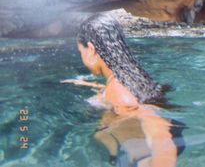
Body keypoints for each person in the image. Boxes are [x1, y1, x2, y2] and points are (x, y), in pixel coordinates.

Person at [61, 13, 184, 167]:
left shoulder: (120, 94)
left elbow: (159, 134)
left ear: (91, 50)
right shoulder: (131, 78)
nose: (82, 57)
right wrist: (90, 85)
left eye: (81, 52)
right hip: (136, 150)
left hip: (142, 159)